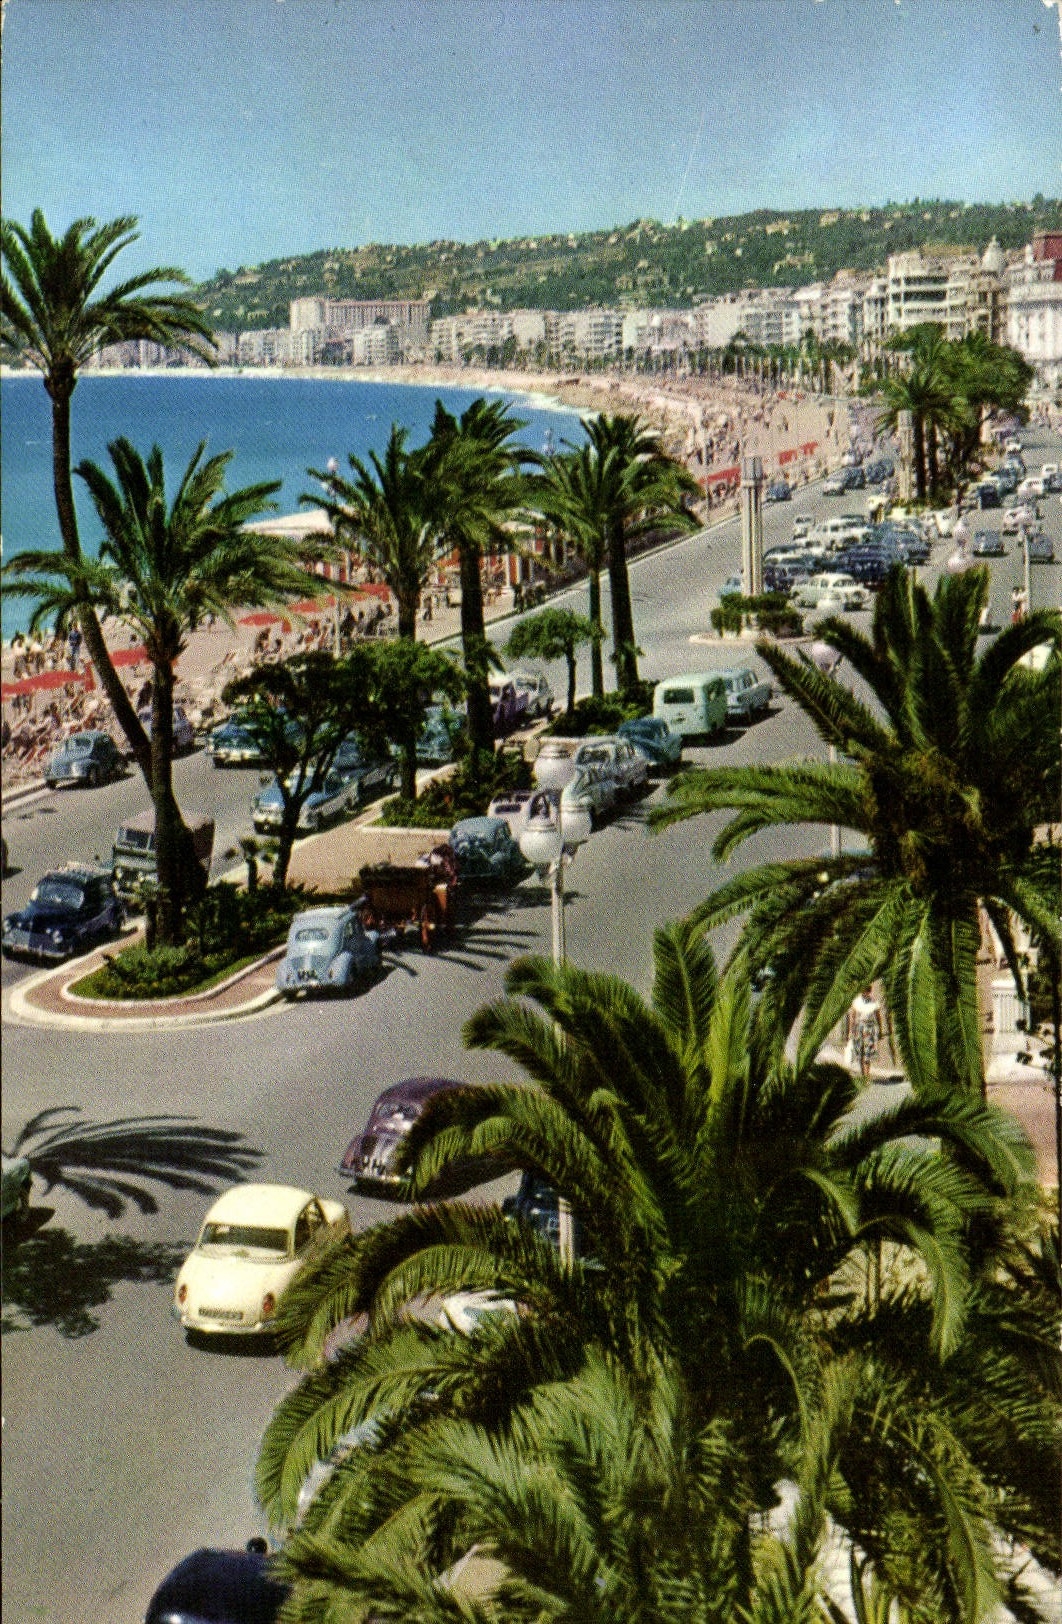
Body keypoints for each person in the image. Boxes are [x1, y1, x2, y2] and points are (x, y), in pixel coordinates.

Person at [846, 986, 883, 1082]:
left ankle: (866, 1077)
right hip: (859, 1029)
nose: (866, 993)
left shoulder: (874, 1002)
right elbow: (852, 1017)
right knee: (860, 1053)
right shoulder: (856, 1002)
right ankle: (863, 1075)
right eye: (864, 991)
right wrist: (850, 1031)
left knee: (867, 1054)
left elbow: (878, 1017)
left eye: (867, 991)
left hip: (870, 1030)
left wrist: (880, 1030)